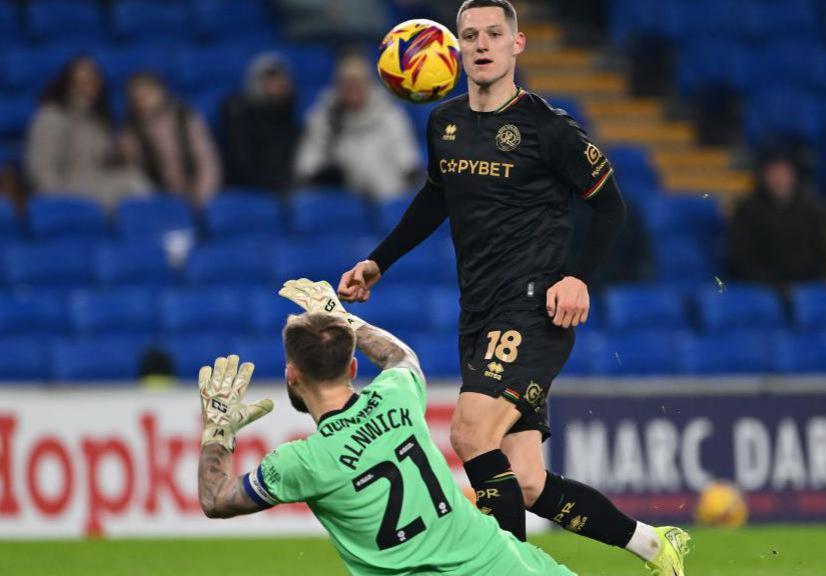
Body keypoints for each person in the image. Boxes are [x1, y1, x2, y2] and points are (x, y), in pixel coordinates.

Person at [337, 2, 689, 574]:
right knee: (524, 481)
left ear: (516, 45)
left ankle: (503, 570)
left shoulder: (547, 128)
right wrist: (379, 262)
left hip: (533, 308)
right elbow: (435, 198)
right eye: (470, 34)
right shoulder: (443, 123)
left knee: (471, 432)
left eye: (494, 34)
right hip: (478, 311)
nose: (481, 44)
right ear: (455, 50)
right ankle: (653, 545)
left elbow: (610, 206)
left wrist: (577, 276)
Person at [196, 279, 575, 576]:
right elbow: (400, 355)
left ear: (292, 375)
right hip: (519, 569)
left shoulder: (302, 462)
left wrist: (218, 430)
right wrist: (348, 321)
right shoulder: (397, 395)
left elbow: (216, 500)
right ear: (353, 368)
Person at [25, 56, 149, 208]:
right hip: (67, 193)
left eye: (92, 82)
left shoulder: (98, 121)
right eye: (79, 81)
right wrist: (61, 204)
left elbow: (101, 162)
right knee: (132, 184)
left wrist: (120, 154)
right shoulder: (51, 117)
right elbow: (40, 171)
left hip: (96, 188)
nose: (86, 87)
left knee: (134, 180)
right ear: (67, 84)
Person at [294, 53, 420, 200]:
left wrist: (410, 172)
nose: (352, 88)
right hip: (344, 198)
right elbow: (307, 162)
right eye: (346, 83)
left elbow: (407, 156)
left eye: (357, 82)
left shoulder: (388, 114)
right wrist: (322, 174)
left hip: (386, 195)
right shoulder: (325, 116)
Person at [728, 148, 826, 289]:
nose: (779, 179)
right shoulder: (747, 210)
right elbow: (741, 255)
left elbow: (823, 253)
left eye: (784, 173)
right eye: (774, 174)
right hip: (760, 286)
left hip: (806, 284)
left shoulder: (812, 210)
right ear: (763, 176)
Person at [122, 72, 222, 207]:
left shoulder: (185, 119)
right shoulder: (131, 131)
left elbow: (208, 165)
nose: (142, 100)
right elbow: (136, 173)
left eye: (147, 93)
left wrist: (199, 198)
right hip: (159, 201)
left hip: (195, 195)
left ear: (161, 92)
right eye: (137, 97)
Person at [220, 52, 301, 193]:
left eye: (281, 79)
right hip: (252, 190)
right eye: (270, 79)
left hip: (287, 188)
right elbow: (243, 166)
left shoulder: (291, 118)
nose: (278, 85)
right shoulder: (240, 118)